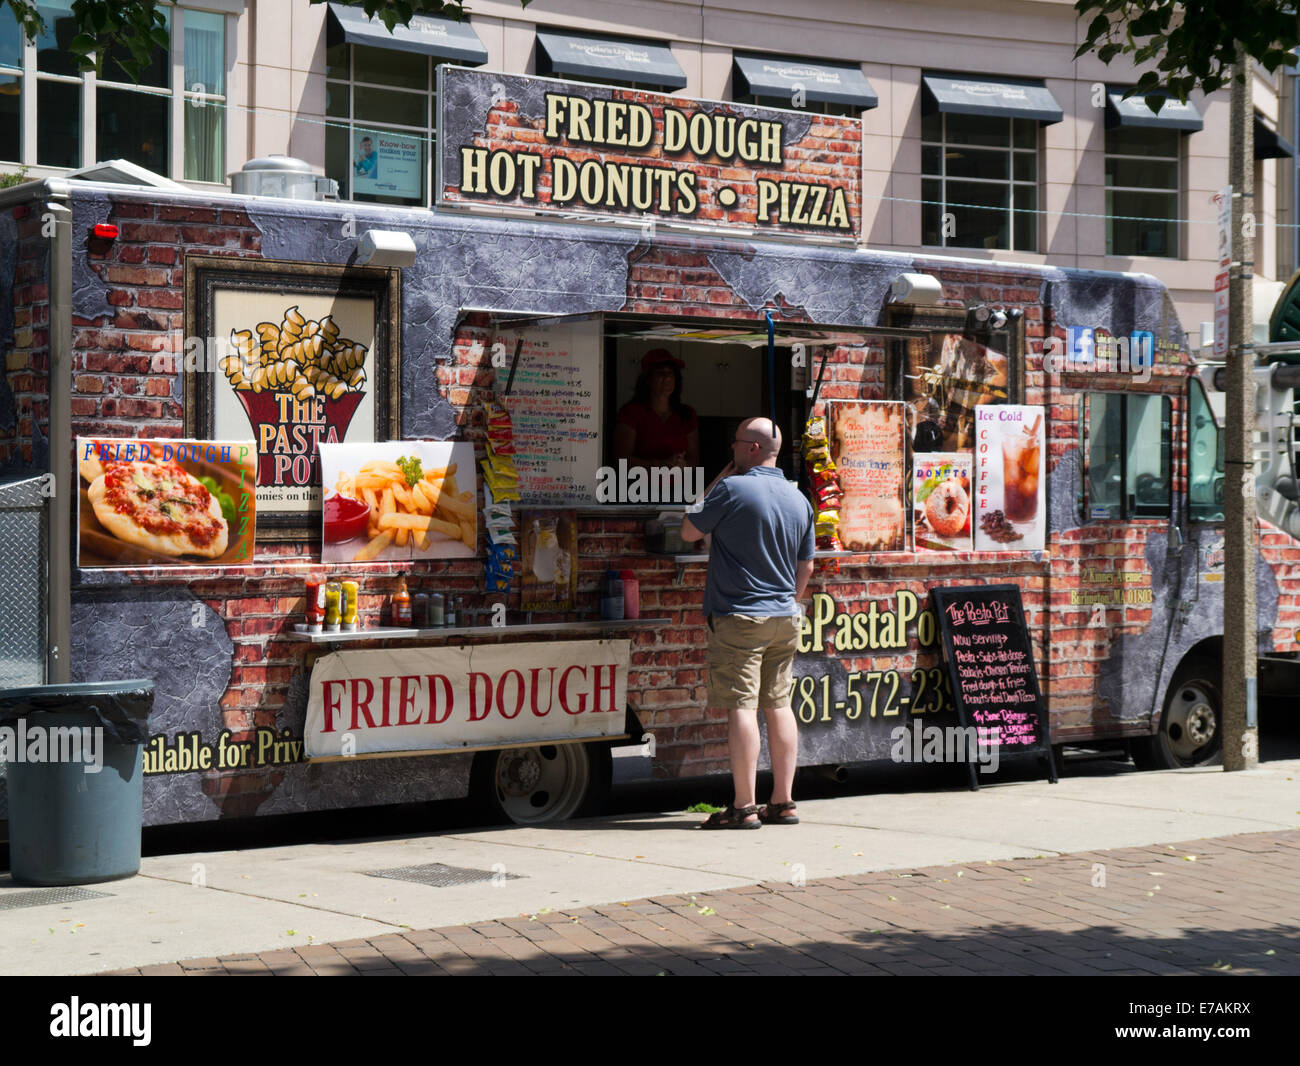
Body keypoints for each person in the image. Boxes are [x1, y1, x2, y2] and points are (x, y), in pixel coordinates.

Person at [680, 416, 815, 829]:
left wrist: (719, 478)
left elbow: (688, 530)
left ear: (751, 449)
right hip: (784, 618)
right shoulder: (799, 499)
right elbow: (806, 564)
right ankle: (784, 802)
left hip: (739, 617)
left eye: (735, 444)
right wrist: (789, 601)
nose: (732, 450)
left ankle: (743, 807)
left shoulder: (731, 488)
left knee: (741, 706)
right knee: (778, 705)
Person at [613, 349, 699, 470]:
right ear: (647, 379)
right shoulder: (631, 413)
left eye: (671, 373)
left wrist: (682, 465)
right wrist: (659, 465)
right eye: (660, 373)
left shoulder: (687, 414)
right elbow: (621, 459)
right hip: (638, 486)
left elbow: (694, 460)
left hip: (678, 487)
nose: (667, 378)